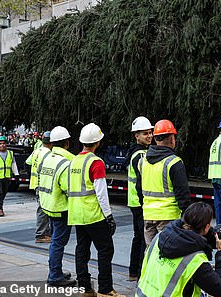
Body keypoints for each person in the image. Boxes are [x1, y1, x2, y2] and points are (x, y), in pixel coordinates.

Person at [67, 123, 124, 297]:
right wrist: (109, 216)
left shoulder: (74, 160)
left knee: (82, 249)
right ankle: (106, 289)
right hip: (93, 214)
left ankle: (85, 287)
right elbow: (101, 194)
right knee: (106, 249)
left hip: (77, 213)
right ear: (98, 142)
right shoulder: (96, 162)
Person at [136, 202, 221, 297]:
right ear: (206, 227)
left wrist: (212, 234)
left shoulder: (159, 237)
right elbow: (219, 289)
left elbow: (192, 234)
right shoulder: (194, 260)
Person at [140, 119, 191, 244]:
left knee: (150, 254)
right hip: (168, 217)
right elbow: (182, 194)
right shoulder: (174, 162)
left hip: (148, 215)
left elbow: (138, 188)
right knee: (168, 254)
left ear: (155, 139)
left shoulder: (143, 160)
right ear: (173, 139)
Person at [37, 133, 75, 287]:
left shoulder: (47, 158)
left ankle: (55, 270)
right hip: (60, 207)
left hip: (49, 206)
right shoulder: (66, 163)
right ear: (67, 142)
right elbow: (68, 188)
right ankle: (55, 275)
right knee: (58, 243)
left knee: (55, 241)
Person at [127, 116, 154, 282]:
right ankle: (141, 275)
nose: (149, 136)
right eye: (145, 133)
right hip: (140, 202)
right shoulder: (140, 155)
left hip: (134, 201)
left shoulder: (136, 152)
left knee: (138, 238)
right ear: (136, 135)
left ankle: (133, 272)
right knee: (144, 239)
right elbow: (143, 181)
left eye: (150, 133)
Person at [26, 130, 53, 243]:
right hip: (43, 184)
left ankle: (44, 232)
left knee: (43, 208)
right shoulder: (49, 154)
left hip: (36, 184)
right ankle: (41, 235)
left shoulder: (37, 151)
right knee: (43, 209)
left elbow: (27, 163)